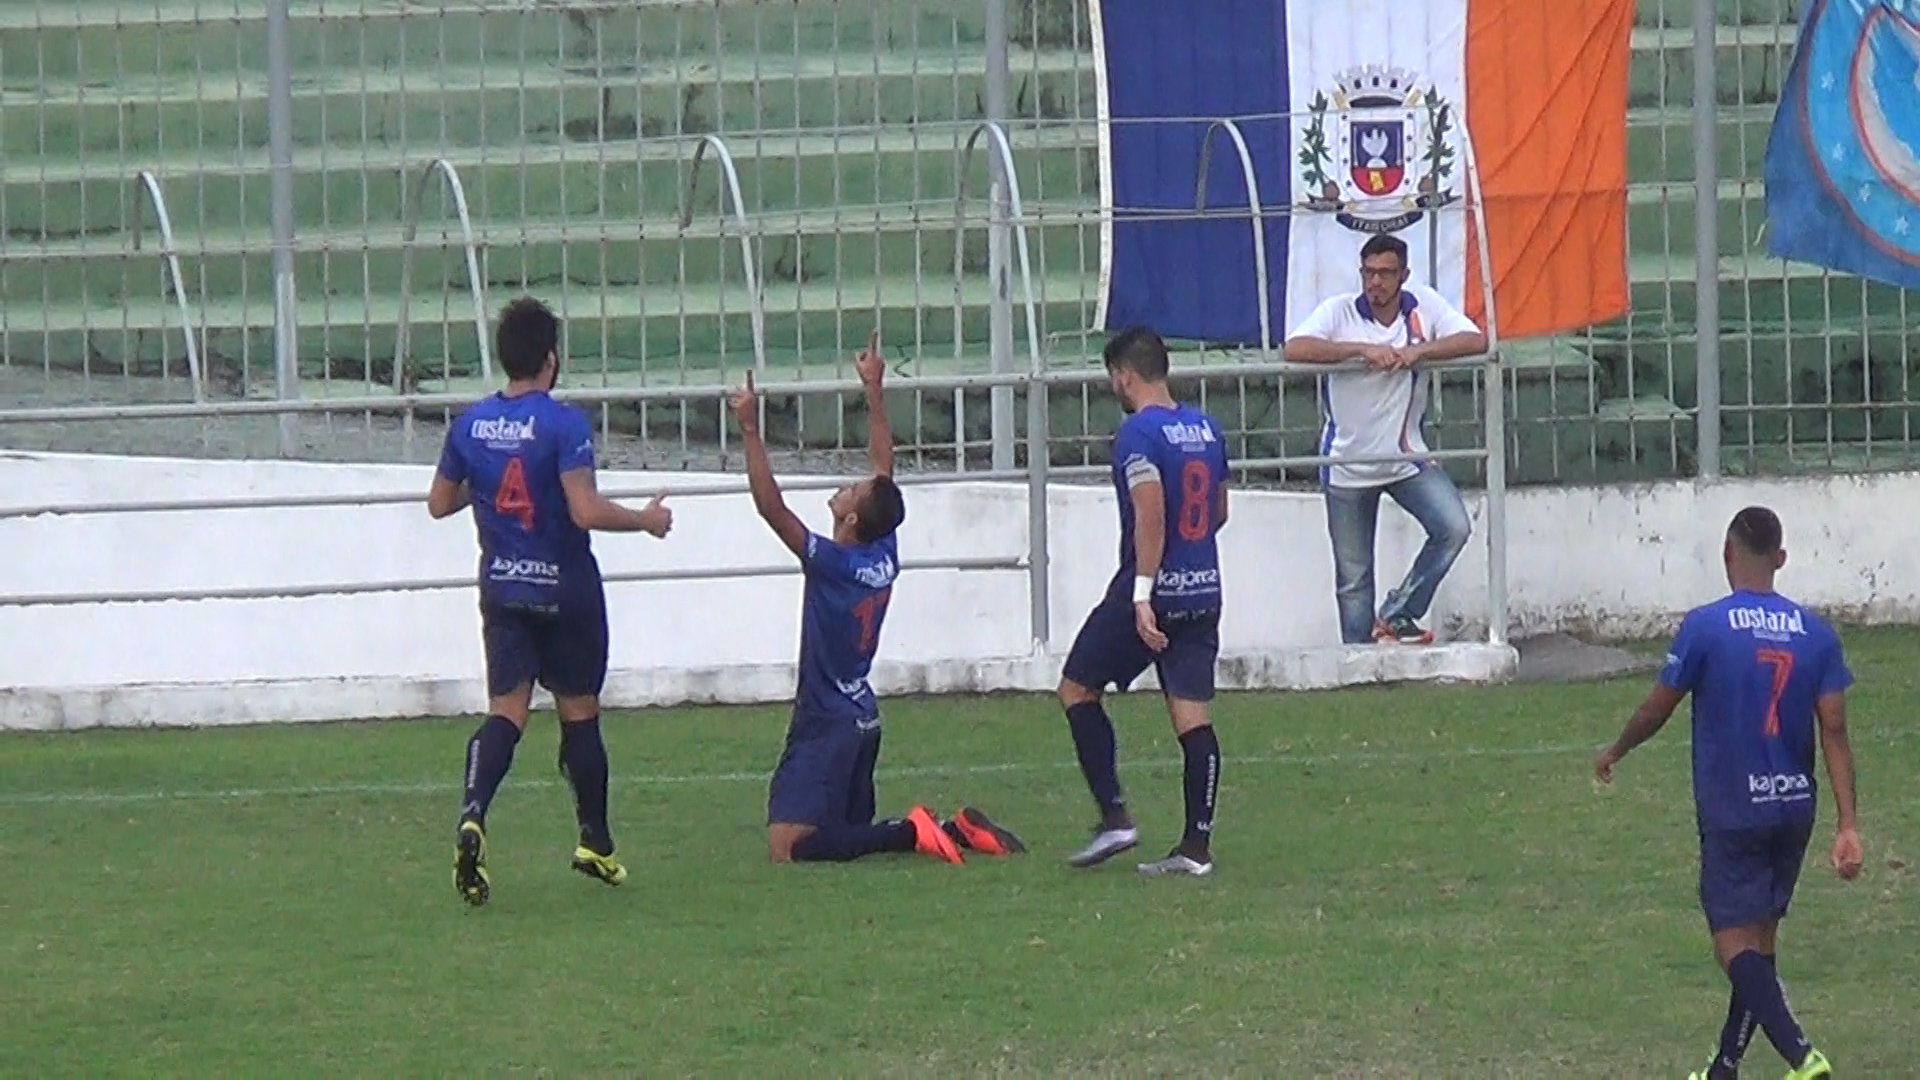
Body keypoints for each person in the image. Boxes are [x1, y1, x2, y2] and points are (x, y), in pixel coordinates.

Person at [732, 330, 1025, 866]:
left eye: (852, 490)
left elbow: (770, 507)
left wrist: (750, 428)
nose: (849, 485)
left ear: (848, 519)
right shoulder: (881, 551)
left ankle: (912, 833)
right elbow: (884, 469)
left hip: (829, 721)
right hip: (861, 718)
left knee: (790, 848)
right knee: (846, 835)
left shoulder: (835, 563)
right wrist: (874, 390)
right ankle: (951, 831)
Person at [1594, 506, 1862, 1080]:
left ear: (1726, 554)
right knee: (1760, 939)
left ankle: (1801, 1055)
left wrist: (1616, 750)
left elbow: (1658, 708)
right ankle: (1725, 1068)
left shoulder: (1706, 626)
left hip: (1735, 807)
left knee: (1733, 944)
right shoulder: (1816, 635)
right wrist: (1848, 825)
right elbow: (1834, 729)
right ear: (1781, 560)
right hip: (1795, 806)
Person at [429, 296, 675, 906]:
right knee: (579, 712)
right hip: (564, 588)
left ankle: (473, 810)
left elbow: (438, 502)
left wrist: (484, 487)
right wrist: (644, 520)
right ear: (551, 358)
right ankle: (595, 841)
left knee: (505, 712)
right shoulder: (564, 425)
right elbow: (583, 510)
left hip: (504, 587)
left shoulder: (471, 424)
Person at [1057, 327, 1230, 877]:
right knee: (1192, 721)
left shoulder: (1138, 435)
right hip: (1203, 587)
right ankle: (1195, 849)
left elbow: (1150, 517)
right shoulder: (1206, 427)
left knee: (1077, 688)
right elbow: (1218, 511)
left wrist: (1142, 594)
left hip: (1151, 589)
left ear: (1123, 376)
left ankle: (1115, 818)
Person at [1282, 234, 1488, 645]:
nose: (1376, 282)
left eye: (1386, 273)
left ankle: (1398, 613)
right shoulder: (1339, 312)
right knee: (1354, 579)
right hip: (1346, 463)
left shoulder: (1422, 306)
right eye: (1369, 273)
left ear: (1403, 276)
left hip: (1405, 457)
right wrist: (1358, 351)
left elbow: (1474, 340)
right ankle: (1359, 664)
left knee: (1453, 527)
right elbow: (1294, 349)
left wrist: (1419, 353)